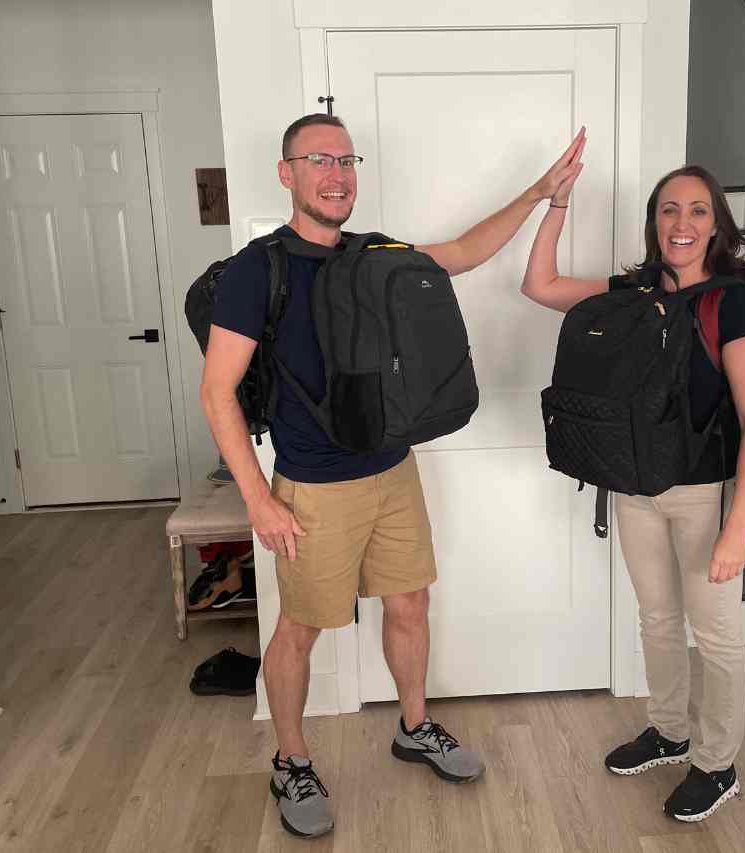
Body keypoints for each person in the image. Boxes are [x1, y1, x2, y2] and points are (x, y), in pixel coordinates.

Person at [200, 113, 586, 839]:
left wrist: (541, 191)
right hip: (312, 487)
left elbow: (466, 251)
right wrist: (258, 499)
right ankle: (291, 760)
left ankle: (414, 726)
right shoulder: (259, 269)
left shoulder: (374, 255)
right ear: (287, 174)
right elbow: (217, 390)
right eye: (319, 159)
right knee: (301, 629)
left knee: (410, 605)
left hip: (391, 470)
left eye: (347, 159)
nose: (337, 173)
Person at [520, 160, 745, 822]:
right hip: (635, 485)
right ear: (653, 221)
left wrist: (736, 524)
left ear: (716, 223)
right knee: (657, 618)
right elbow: (538, 284)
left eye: (695, 210)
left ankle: (718, 765)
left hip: (706, 493)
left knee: (715, 634)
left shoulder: (737, 298)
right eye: (668, 210)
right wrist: (556, 203)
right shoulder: (635, 289)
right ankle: (670, 729)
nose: (680, 223)